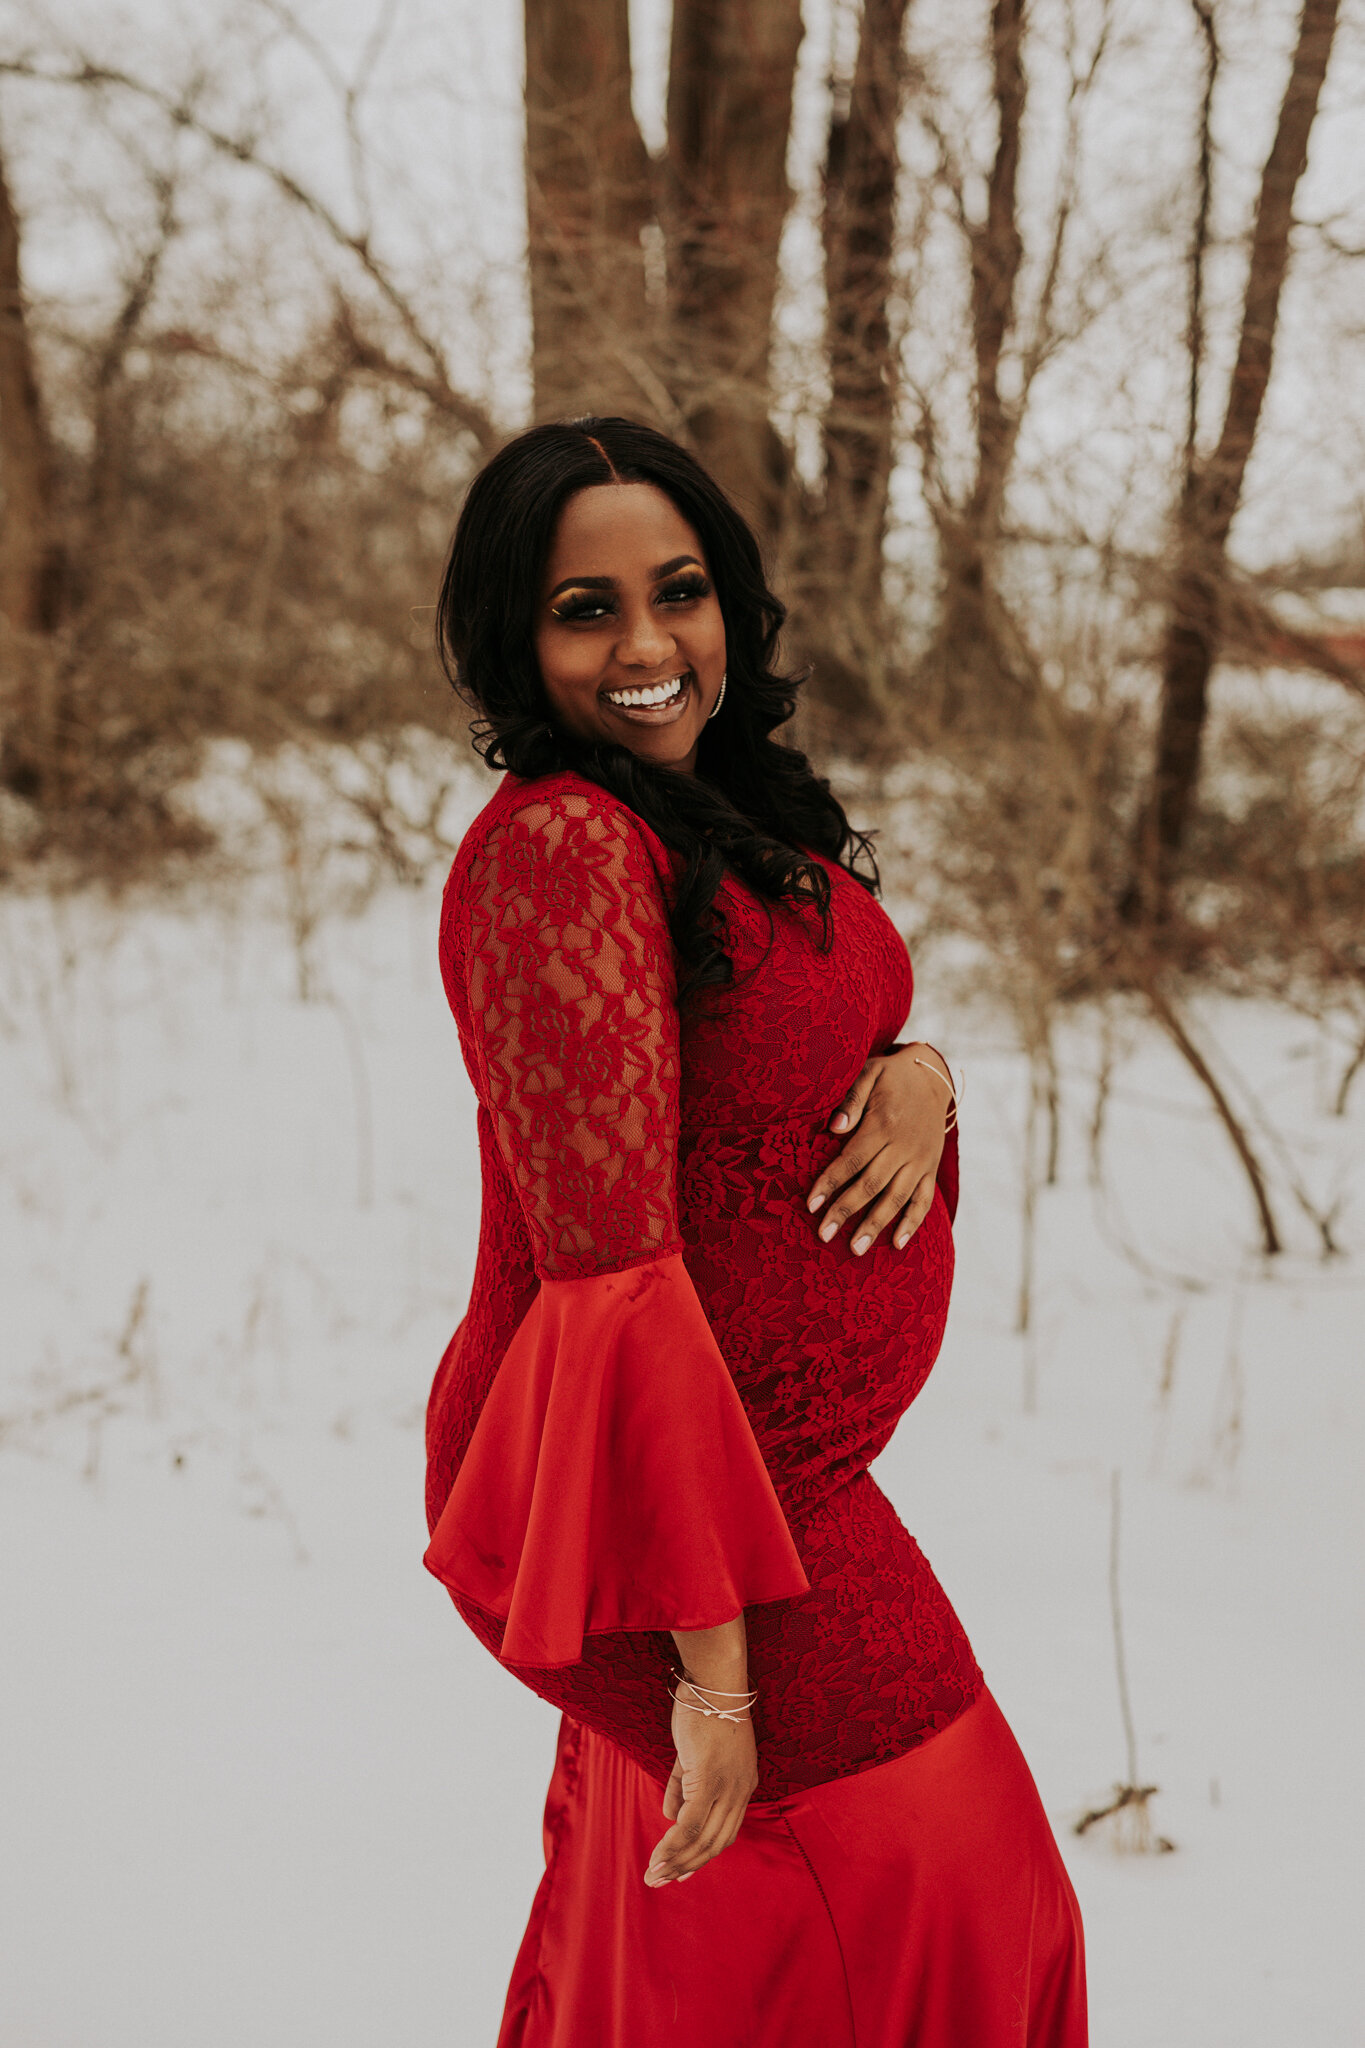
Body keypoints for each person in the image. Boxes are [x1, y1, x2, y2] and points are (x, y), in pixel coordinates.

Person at [423, 416, 1086, 2047]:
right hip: (698, 1518)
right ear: (513, 635)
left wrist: (918, 1073)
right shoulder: (566, 849)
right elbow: (611, 1285)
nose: (647, 646)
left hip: (761, 1498)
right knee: (948, 1894)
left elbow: (808, 1049)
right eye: (586, 609)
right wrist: (710, 1685)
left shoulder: (712, 807)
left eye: (680, 591)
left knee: (716, 1962)